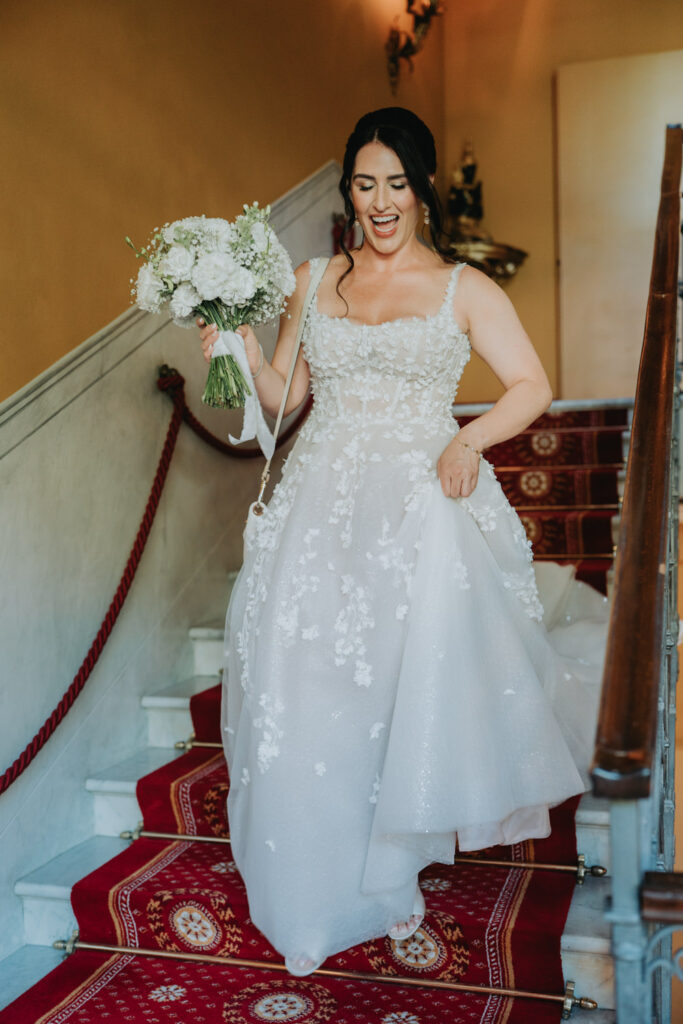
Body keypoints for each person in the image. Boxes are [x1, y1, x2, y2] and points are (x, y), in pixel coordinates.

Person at [197, 107, 607, 978]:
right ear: (346, 190)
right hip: (320, 504)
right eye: (362, 183)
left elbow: (531, 385)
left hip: (420, 508)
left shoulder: (465, 289)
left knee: (395, 682)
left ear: (420, 192)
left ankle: (391, 847)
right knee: (312, 681)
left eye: (395, 184)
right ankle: (320, 860)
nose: (379, 202)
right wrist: (229, 346)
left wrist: (465, 440)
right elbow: (283, 399)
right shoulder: (313, 279)